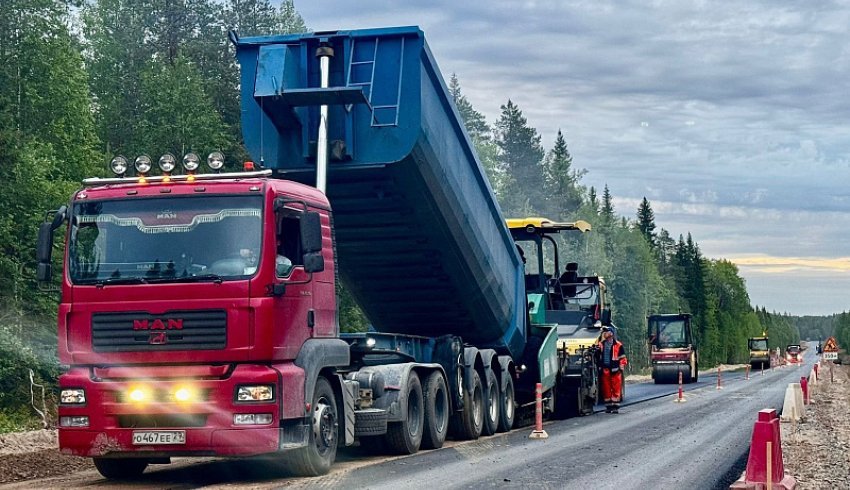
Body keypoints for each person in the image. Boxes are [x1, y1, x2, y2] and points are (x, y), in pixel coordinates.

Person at [597, 325, 627, 413]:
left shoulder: (618, 345)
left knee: (616, 388)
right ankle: (608, 406)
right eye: (604, 332)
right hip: (605, 369)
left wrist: (621, 367)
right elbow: (598, 355)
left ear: (611, 333)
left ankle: (615, 406)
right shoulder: (601, 344)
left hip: (615, 370)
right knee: (606, 388)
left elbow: (623, 358)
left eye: (606, 332)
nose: (605, 333)